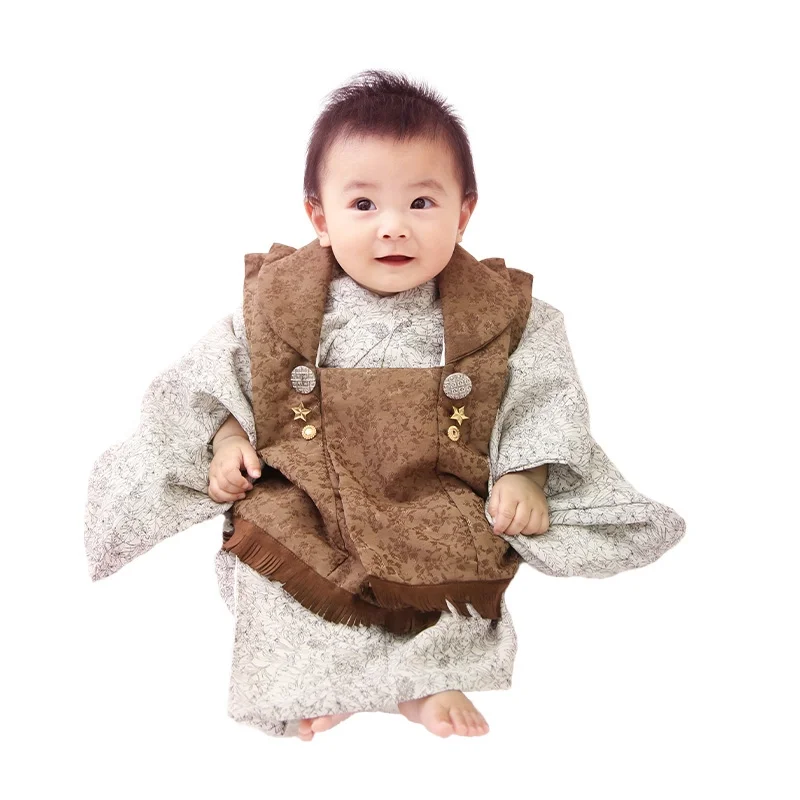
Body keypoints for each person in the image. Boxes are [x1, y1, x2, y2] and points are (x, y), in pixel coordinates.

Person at [84, 69, 686, 742]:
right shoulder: (278, 307)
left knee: (458, 574)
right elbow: (216, 381)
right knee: (270, 574)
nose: (393, 228)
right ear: (320, 217)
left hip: (434, 493)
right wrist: (228, 441)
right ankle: (324, 682)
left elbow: (544, 395)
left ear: (464, 213)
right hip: (309, 493)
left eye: (422, 203)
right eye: (364, 205)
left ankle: (422, 685)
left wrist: (526, 473)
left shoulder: (504, 316)